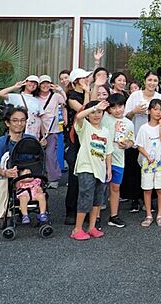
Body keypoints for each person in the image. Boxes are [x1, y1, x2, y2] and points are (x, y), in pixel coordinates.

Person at [124, 71, 161, 213]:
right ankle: (134, 199)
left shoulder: (160, 97)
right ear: (144, 81)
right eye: (149, 80)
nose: (152, 83)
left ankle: (150, 201)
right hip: (135, 136)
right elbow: (125, 116)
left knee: (152, 169)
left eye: (155, 80)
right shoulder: (135, 95)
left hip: (154, 139)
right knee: (134, 170)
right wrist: (134, 111)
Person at [70, 100, 113, 241]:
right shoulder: (85, 127)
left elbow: (108, 152)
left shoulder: (106, 131)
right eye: (93, 112)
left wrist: (109, 169)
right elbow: (79, 116)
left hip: (100, 169)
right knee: (85, 197)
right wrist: (94, 107)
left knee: (97, 199)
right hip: (86, 167)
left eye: (100, 112)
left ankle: (92, 227)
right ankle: (77, 229)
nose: (96, 115)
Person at [0, 107, 27, 220]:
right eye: (15, 120)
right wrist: (4, 172)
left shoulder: (31, 140)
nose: (19, 123)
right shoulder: (0, 143)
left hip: (25, 179)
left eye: (22, 120)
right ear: (7, 123)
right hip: (3, 179)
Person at [102, 93, 134, 228]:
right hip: (102, 160)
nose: (118, 110)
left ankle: (113, 216)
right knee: (99, 187)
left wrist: (126, 145)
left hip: (119, 159)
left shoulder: (129, 123)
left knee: (115, 188)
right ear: (109, 109)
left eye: (120, 106)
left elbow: (131, 141)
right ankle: (95, 216)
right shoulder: (104, 118)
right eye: (114, 107)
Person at [63, 68, 90, 225]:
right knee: (74, 176)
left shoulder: (87, 92)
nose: (87, 79)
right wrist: (87, 92)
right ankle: (70, 211)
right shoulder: (72, 97)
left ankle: (84, 211)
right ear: (76, 81)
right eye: (83, 77)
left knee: (86, 177)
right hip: (74, 140)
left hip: (87, 138)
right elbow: (84, 111)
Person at [135, 99, 161, 227]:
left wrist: (160, 124)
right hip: (147, 163)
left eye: (160, 109)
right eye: (155, 109)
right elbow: (139, 146)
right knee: (147, 189)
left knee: (160, 189)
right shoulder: (144, 128)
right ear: (149, 111)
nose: (158, 112)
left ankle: (160, 215)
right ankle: (148, 215)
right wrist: (147, 156)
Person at [35, 75, 65, 188]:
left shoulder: (56, 96)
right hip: (37, 130)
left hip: (52, 130)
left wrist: (60, 90)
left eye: (47, 83)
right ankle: (40, 178)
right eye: (43, 83)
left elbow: (65, 102)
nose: (45, 85)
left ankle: (54, 178)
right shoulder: (35, 97)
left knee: (50, 154)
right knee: (38, 155)